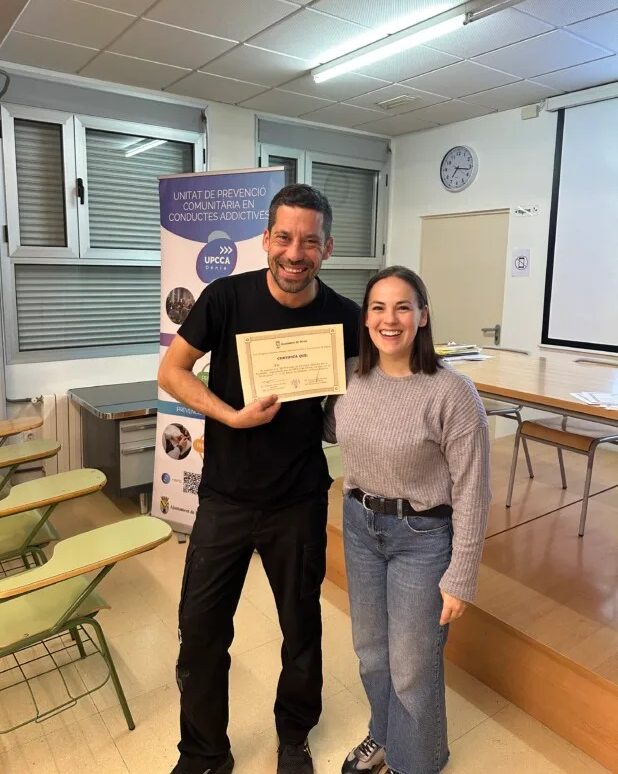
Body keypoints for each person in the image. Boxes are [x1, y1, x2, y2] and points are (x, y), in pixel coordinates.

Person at [158, 184, 360, 774]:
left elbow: (376, 387)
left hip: (297, 499)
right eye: (284, 237)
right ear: (266, 239)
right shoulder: (225, 297)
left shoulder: (345, 316)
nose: (295, 252)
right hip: (223, 496)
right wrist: (231, 415)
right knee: (198, 632)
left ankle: (293, 737)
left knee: (301, 630)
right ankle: (203, 753)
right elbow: (172, 371)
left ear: (327, 247)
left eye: (309, 241)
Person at [324, 266, 491, 774]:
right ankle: (383, 734)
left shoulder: (452, 393)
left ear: (423, 316)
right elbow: (332, 430)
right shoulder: (349, 378)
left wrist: (461, 574)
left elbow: (473, 491)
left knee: (412, 665)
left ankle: (416, 762)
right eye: (378, 307)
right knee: (371, 653)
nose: (389, 319)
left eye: (402, 307)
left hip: (422, 537)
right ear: (365, 317)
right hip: (359, 525)